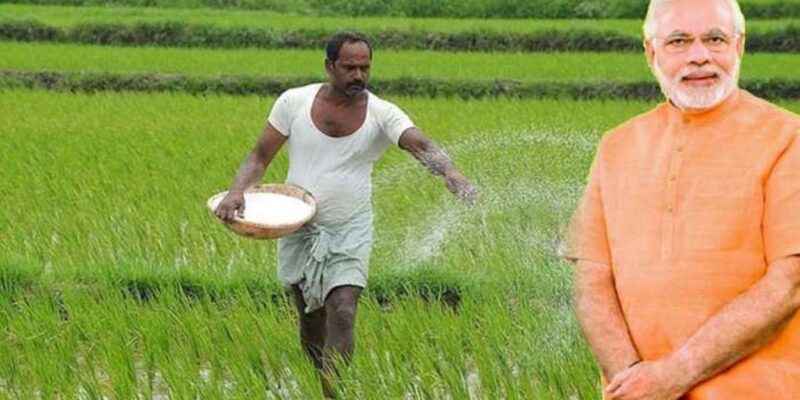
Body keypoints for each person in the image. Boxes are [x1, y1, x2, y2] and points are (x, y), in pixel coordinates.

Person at [214, 31, 477, 397]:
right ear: (329, 66)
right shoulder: (294, 102)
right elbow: (259, 156)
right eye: (350, 67)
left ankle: (333, 392)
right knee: (310, 320)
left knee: (343, 309)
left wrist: (450, 172)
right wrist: (237, 192)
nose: (358, 75)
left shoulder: (382, 113)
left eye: (365, 68)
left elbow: (420, 144)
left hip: (350, 227)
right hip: (298, 226)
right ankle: (322, 379)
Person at [564, 0, 800, 399]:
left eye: (715, 39)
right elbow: (591, 279)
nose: (699, 56)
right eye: (678, 41)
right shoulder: (616, 146)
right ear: (651, 52)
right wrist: (634, 379)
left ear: (738, 46)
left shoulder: (787, 138)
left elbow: (789, 281)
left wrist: (676, 374)